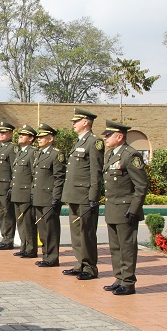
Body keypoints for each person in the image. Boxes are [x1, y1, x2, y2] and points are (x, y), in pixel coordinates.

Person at [101, 120, 148, 295]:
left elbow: (141, 186)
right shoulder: (110, 154)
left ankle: (128, 282)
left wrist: (134, 210)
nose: (105, 138)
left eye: (108, 135)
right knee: (115, 247)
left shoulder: (130, 155)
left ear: (119, 137)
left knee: (127, 247)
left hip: (126, 209)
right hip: (112, 208)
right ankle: (119, 278)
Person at [60, 109, 104, 280]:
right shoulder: (79, 142)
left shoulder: (94, 142)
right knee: (76, 233)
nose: (73, 124)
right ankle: (80, 264)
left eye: (76, 121)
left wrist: (93, 196)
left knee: (86, 233)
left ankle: (90, 268)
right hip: (74, 194)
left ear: (85, 122)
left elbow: (96, 172)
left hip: (85, 195)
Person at [32, 123, 66, 267]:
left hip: (49, 197)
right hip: (39, 197)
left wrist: (56, 197)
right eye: (38, 137)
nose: (39, 139)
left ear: (50, 138)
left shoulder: (56, 154)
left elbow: (59, 178)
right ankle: (46, 255)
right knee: (42, 230)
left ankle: (52, 258)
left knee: (51, 229)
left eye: (42, 137)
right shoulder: (40, 153)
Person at [10, 124, 38, 258]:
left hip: (26, 193)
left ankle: (31, 249)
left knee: (28, 223)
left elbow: (34, 174)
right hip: (17, 193)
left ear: (31, 138)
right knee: (20, 222)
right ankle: (24, 246)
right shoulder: (20, 152)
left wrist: (32, 192)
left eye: (24, 135)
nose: (20, 136)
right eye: (20, 134)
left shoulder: (32, 152)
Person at [0, 122, 18, 250]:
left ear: (10, 134)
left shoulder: (12, 148)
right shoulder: (1, 148)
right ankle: (4, 238)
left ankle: (8, 240)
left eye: (4, 132)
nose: (0, 134)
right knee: (1, 214)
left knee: (8, 214)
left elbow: (15, 169)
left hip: (6, 187)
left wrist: (12, 186)